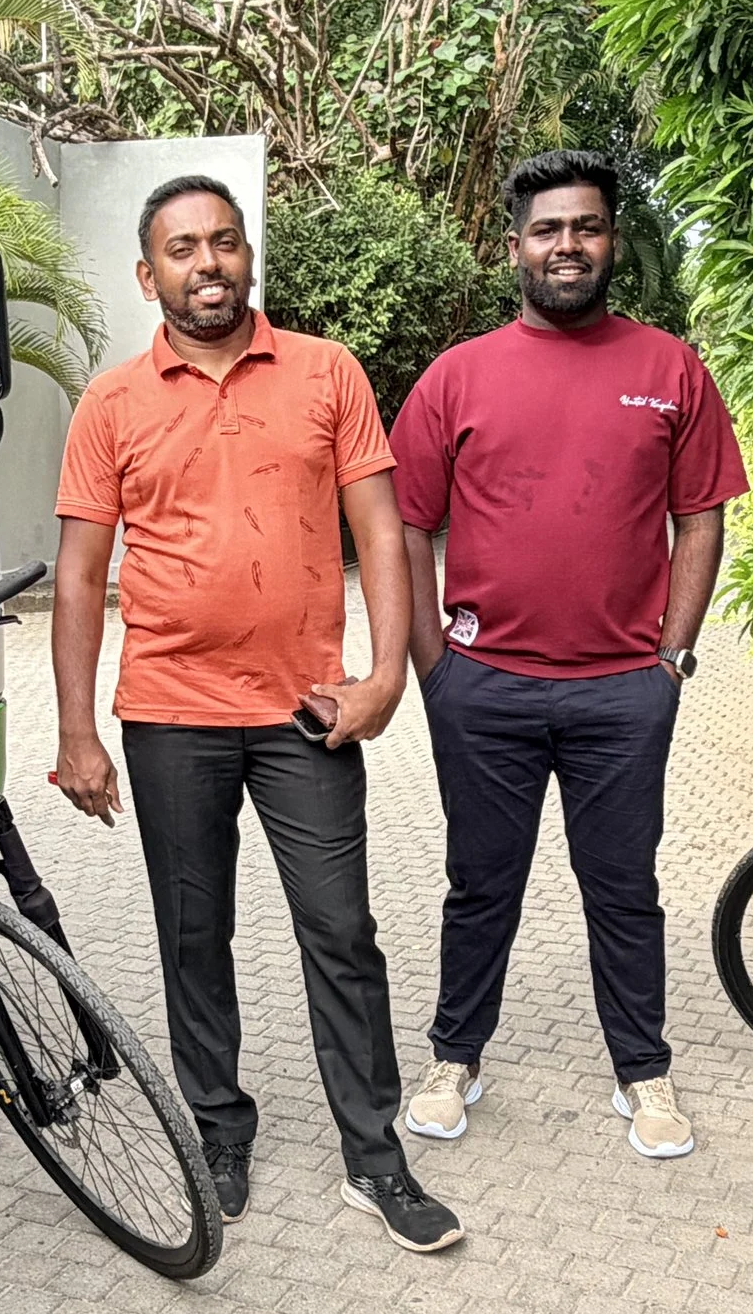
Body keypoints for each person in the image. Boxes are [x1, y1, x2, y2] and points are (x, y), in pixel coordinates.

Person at [51, 175, 462, 1254]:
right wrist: (76, 731)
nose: (208, 265)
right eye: (182, 250)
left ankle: (375, 1158)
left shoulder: (326, 372)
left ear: (247, 255)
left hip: (303, 711)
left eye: (223, 243)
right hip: (168, 715)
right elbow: (80, 572)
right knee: (195, 938)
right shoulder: (111, 404)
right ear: (150, 276)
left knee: (342, 931)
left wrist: (383, 678)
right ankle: (217, 1130)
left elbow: (379, 528)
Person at [389, 150, 747, 1160]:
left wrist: (669, 661)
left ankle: (643, 1073)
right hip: (484, 689)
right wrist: (431, 666)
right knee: (479, 882)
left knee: (623, 886)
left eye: (585, 228)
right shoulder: (457, 376)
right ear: (515, 249)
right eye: (547, 231)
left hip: (620, 695)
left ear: (611, 242)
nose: (566, 247)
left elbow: (700, 519)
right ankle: (455, 1056)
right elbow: (406, 525)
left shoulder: (667, 367)